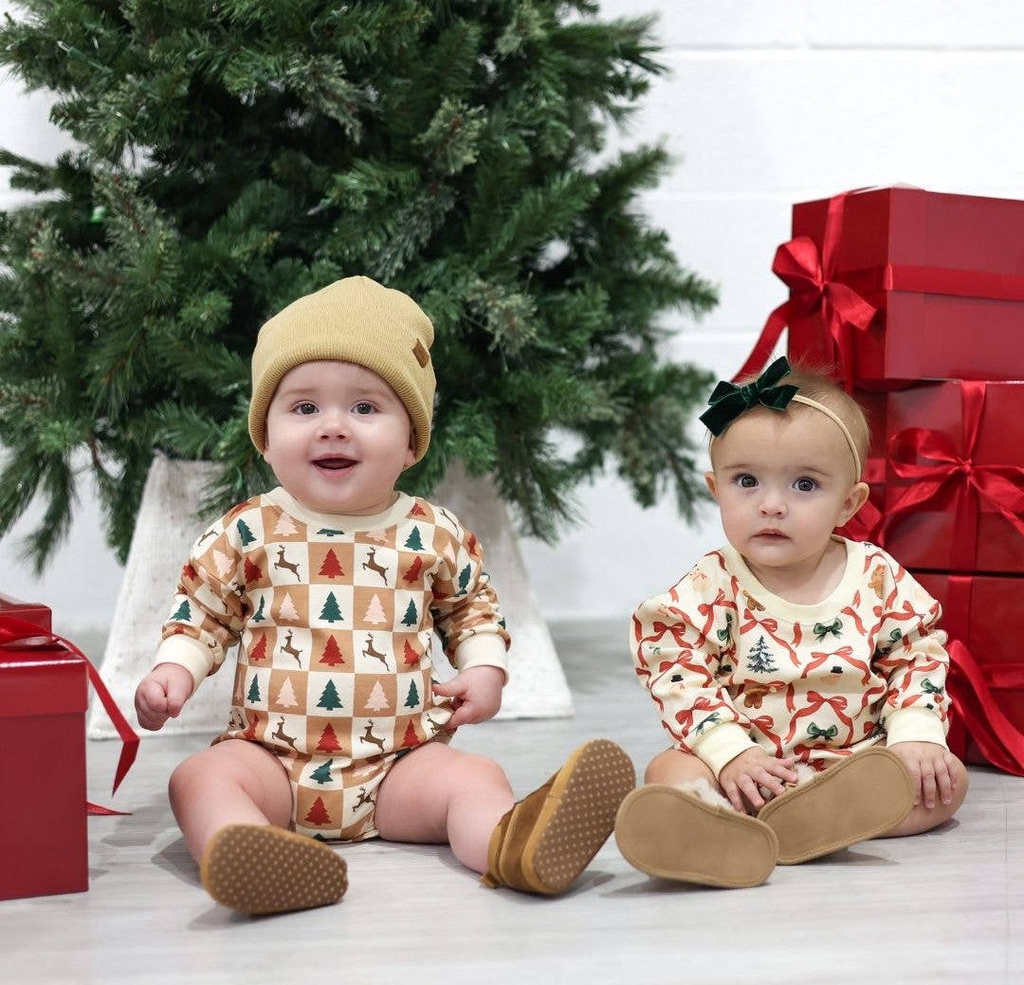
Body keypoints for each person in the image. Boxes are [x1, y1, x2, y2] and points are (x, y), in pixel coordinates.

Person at [134, 276, 634, 915]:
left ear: (411, 440)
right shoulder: (247, 530)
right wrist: (173, 671)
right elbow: (202, 611)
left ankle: (515, 846)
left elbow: (472, 606)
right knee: (198, 779)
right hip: (273, 762)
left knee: (474, 779)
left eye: (366, 408)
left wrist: (485, 670)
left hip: (400, 764)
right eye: (304, 408)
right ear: (265, 434)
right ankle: (248, 849)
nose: (334, 428)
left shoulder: (431, 531)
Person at [614, 357, 967, 888]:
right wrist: (730, 753)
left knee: (947, 781)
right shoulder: (711, 588)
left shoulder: (877, 578)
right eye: (747, 481)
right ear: (716, 490)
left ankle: (818, 822)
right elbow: (677, 671)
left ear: (848, 503)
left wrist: (915, 736)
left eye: (804, 485)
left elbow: (917, 657)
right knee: (670, 772)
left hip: (853, 765)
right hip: (743, 764)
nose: (772, 505)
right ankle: (721, 824)